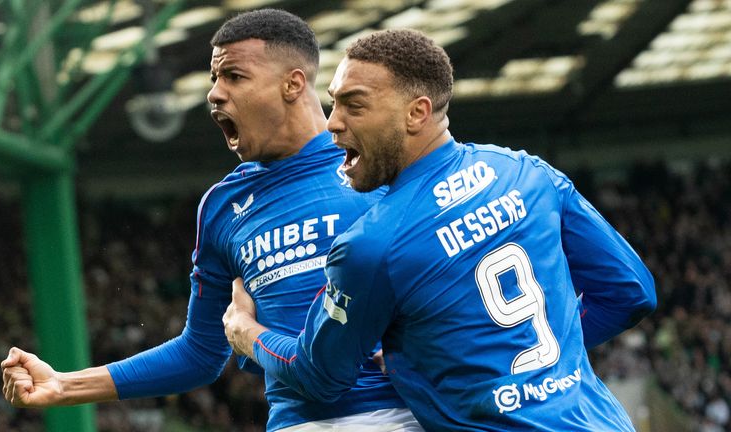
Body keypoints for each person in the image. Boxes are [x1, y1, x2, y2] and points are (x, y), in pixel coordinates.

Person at [0, 10, 422, 432]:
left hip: (403, 415)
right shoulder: (222, 206)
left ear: (292, 84)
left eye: (234, 77)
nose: (215, 94)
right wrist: (63, 384)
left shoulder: (379, 164)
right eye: (214, 79)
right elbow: (199, 353)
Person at [223, 28, 657, 431]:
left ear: (417, 113)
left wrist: (246, 333)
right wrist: (543, 359)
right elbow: (631, 292)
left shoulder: (373, 244)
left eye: (354, 105)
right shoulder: (527, 173)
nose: (333, 121)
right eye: (333, 101)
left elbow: (316, 377)